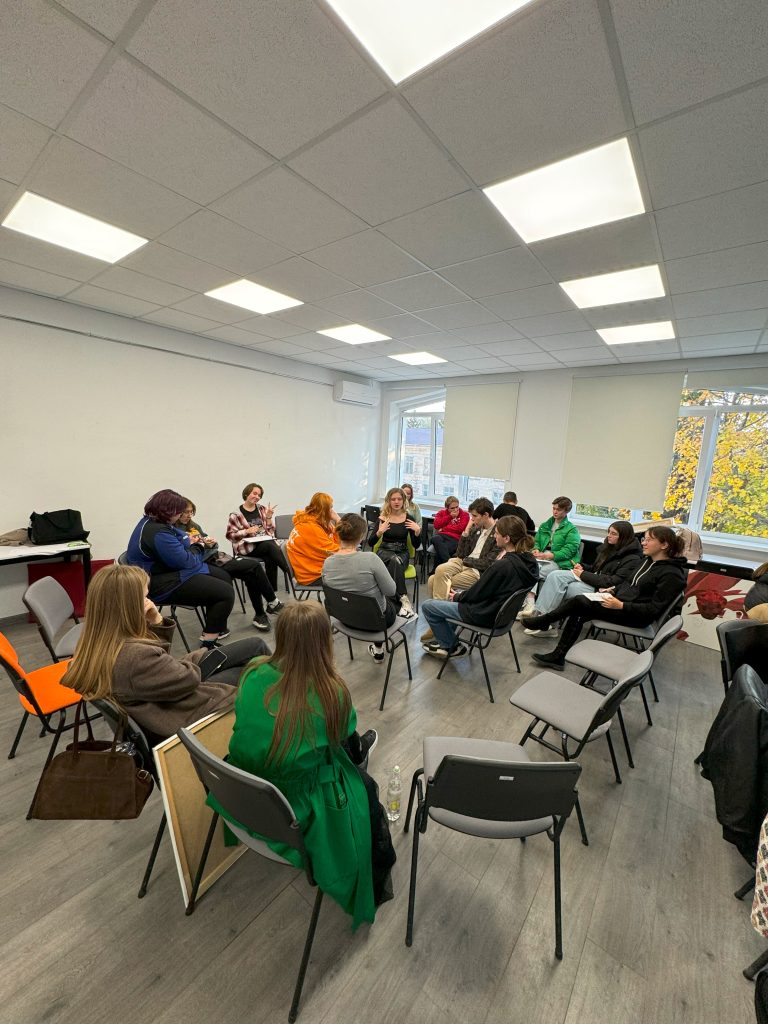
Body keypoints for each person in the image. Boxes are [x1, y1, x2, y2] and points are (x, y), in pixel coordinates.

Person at [207, 601, 396, 931]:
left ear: (281, 635)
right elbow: (342, 736)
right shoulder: (331, 692)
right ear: (325, 640)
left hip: (244, 788)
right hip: (296, 806)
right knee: (365, 787)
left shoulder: (253, 672)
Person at [63, 564, 269, 746]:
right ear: (128, 607)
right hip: (179, 710)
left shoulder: (95, 642)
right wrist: (190, 661)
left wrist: (157, 622)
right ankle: (281, 709)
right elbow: (187, 678)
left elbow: (157, 667)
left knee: (254, 646)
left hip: (164, 694)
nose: (149, 602)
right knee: (255, 671)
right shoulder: (134, 656)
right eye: (144, 597)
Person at [521, 525, 688, 670]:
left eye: (649, 540)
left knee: (580, 602)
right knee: (579, 609)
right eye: (644, 539)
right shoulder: (647, 561)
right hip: (621, 602)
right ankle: (557, 655)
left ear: (664, 545)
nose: (643, 543)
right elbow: (627, 583)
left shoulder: (672, 575)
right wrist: (612, 591)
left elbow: (653, 610)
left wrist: (621, 605)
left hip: (635, 616)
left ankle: (546, 623)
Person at [127, 489, 234, 647]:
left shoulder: (153, 522)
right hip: (158, 584)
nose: (180, 515)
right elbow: (187, 562)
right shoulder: (157, 533)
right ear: (168, 511)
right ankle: (208, 645)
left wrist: (189, 540)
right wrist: (199, 545)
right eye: (179, 512)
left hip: (166, 570)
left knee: (223, 576)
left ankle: (216, 626)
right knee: (225, 593)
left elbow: (180, 539)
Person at [421, 515, 539, 659]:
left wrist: (458, 596)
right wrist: (460, 595)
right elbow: (484, 590)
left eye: (497, 533)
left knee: (428, 606)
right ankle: (446, 640)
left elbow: (478, 593)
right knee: (455, 595)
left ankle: (451, 645)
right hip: (503, 617)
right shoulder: (530, 562)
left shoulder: (502, 566)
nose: (494, 536)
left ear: (507, 538)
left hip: (484, 614)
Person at [178, 499, 283, 632]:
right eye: (186, 512)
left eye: (191, 512)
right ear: (177, 512)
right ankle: (271, 604)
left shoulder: (193, 525)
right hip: (204, 563)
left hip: (216, 557)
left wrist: (210, 543)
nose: (189, 515)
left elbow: (210, 543)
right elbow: (185, 555)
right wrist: (198, 544)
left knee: (252, 570)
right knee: (253, 567)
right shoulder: (175, 531)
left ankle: (261, 614)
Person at [524, 520, 642, 636]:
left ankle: (543, 621)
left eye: (613, 533)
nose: (609, 535)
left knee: (561, 586)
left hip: (603, 591)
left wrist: (583, 574)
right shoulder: (610, 548)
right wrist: (583, 567)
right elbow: (596, 569)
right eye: (609, 532)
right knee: (555, 576)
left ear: (624, 537)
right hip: (593, 581)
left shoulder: (632, 558)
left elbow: (613, 581)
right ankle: (544, 621)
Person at [421, 496, 500, 642]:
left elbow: (487, 563)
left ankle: (437, 622)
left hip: (476, 570)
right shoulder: (475, 528)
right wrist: (466, 531)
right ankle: (440, 620)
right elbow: (461, 553)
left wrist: (466, 561)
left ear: (486, 515)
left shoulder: (498, 533)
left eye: (474, 516)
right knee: (440, 570)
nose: (472, 519)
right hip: (463, 562)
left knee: (433, 580)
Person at [322, 513, 399, 663]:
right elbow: (391, 591)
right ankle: (378, 650)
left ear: (339, 534)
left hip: (345, 619)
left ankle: (378, 649)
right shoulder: (371, 559)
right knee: (387, 602)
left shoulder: (327, 563)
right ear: (362, 536)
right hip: (376, 623)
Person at [518, 496, 581, 618]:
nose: (555, 512)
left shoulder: (572, 529)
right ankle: (531, 604)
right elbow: (536, 542)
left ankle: (530, 604)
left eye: (559, 509)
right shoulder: (545, 525)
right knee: (528, 566)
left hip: (559, 561)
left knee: (531, 570)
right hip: (541, 558)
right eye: (554, 508)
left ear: (567, 511)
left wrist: (551, 555)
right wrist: (535, 549)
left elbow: (570, 550)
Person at [227, 482, 289, 592]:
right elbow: (230, 536)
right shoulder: (235, 515)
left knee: (270, 556)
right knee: (270, 546)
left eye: (259, 495)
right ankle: (290, 572)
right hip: (247, 547)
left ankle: (271, 593)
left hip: (264, 545)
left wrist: (268, 517)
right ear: (246, 494)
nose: (257, 497)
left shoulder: (262, 509)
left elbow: (270, 531)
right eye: (254, 493)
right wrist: (246, 531)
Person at [372, 487, 421, 619]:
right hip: (384, 551)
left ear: (404, 500)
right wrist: (379, 532)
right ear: (388, 501)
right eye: (393, 499)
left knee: (395, 561)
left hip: (402, 553)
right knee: (394, 561)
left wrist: (417, 532)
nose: (396, 502)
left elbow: (416, 545)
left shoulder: (409, 518)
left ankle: (390, 603)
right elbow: (371, 542)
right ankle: (403, 600)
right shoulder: (383, 518)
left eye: (399, 499)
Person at [286, 492, 341, 584]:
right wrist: (338, 520)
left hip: (315, 566)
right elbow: (335, 551)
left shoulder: (317, 521)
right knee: (353, 575)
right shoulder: (310, 527)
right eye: (330, 508)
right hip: (312, 575)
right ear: (323, 510)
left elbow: (335, 542)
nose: (332, 511)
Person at [431, 495, 469, 567]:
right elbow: (436, 525)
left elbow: (460, 529)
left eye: (457, 507)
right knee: (435, 538)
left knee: (441, 551)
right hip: (442, 536)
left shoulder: (464, 515)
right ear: (447, 508)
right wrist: (450, 516)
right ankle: (448, 565)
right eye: (452, 508)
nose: (455, 509)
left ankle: (436, 570)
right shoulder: (441, 513)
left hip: (455, 538)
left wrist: (444, 528)